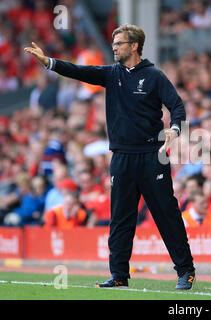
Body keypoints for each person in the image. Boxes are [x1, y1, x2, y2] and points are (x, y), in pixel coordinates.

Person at [25, 23, 195, 290]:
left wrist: (174, 129)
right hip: (121, 157)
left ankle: (186, 270)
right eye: (114, 43)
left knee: (166, 214)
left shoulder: (154, 76)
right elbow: (79, 71)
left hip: (153, 154)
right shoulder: (111, 74)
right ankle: (118, 275)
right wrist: (49, 63)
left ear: (134, 46)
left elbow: (177, 106)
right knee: (120, 218)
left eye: (119, 43)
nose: (114, 48)